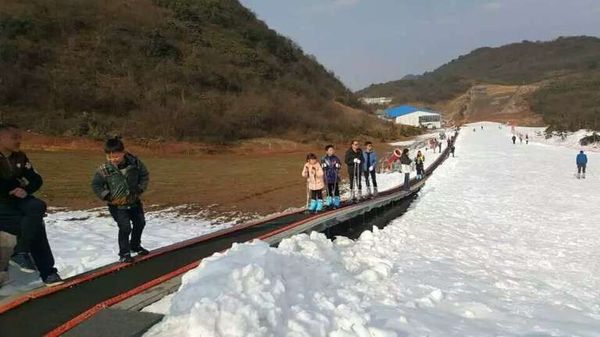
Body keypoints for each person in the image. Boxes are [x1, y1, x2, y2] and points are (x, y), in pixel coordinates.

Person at [0, 124, 63, 286]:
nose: (19, 141)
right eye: (14, 138)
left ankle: (21, 252)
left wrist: (23, 188)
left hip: (18, 200)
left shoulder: (20, 157)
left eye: (20, 137)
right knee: (35, 224)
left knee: (37, 206)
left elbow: (36, 179)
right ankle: (47, 272)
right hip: (2, 203)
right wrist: (11, 186)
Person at [92, 138, 150, 263]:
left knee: (140, 223)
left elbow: (144, 175)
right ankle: (124, 253)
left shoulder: (135, 163)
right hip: (117, 205)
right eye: (110, 157)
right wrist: (106, 195)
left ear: (123, 153)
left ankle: (135, 245)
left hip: (134, 202)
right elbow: (96, 185)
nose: (113, 159)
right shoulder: (104, 169)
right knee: (125, 228)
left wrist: (140, 188)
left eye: (116, 156)